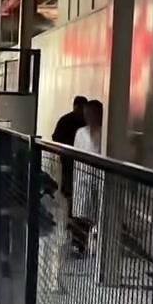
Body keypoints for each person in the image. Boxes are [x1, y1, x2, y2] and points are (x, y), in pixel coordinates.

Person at [70, 99, 103, 249]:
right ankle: (79, 245)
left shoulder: (104, 133)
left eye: (92, 113)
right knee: (81, 213)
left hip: (99, 178)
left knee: (98, 213)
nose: (89, 117)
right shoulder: (80, 133)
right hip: (82, 178)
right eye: (87, 114)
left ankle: (97, 245)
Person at [51, 95, 87, 222]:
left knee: (71, 187)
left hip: (70, 159)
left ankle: (73, 215)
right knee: (72, 187)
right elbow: (56, 137)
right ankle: (73, 215)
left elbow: (55, 137)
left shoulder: (66, 120)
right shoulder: (80, 122)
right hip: (72, 160)